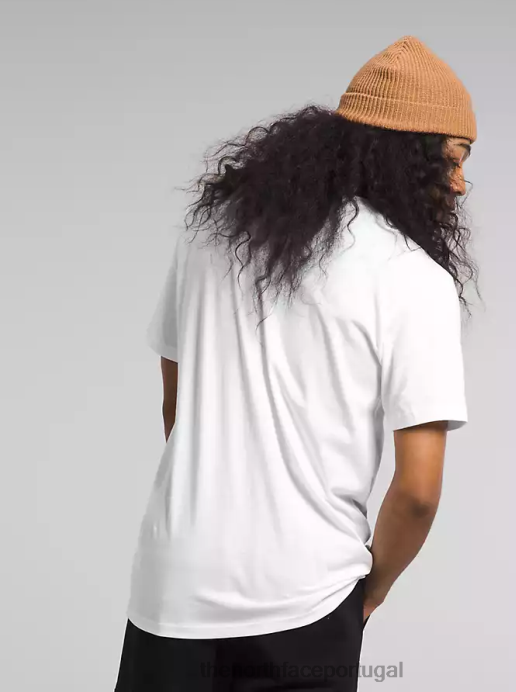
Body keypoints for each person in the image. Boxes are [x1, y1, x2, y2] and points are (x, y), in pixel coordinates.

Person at [114, 34, 478, 691]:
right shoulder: (412, 276)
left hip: (173, 587)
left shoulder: (210, 235)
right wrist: (371, 590)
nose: (459, 183)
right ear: (405, 155)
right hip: (307, 598)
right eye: (450, 159)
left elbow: (176, 405)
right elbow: (418, 492)